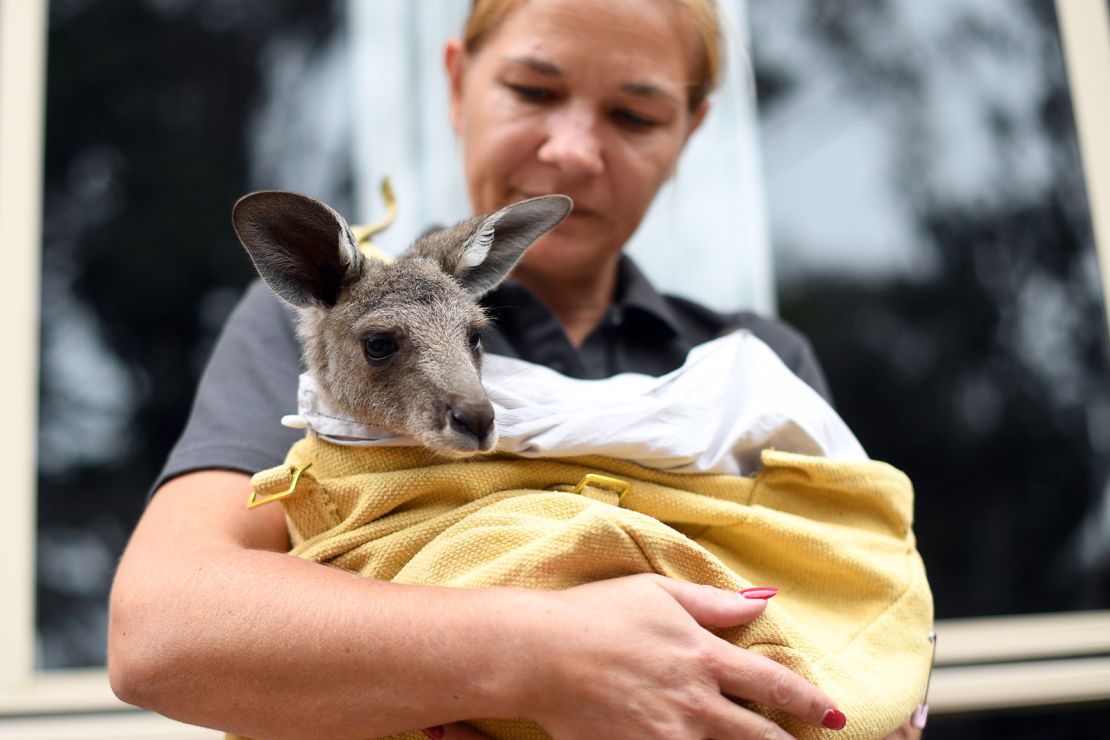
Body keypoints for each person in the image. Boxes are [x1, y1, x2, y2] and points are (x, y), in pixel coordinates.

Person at [108, 1, 922, 738]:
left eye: (634, 114)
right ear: (459, 86)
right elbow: (159, 631)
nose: (570, 151)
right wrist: (540, 653)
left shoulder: (751, 367)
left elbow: (853, 591)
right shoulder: (327, 335)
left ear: (689, 132)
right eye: (533, 92)